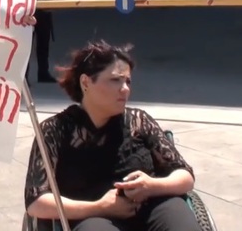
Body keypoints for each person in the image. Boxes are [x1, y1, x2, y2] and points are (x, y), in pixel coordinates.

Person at [23, 40, 201, 231]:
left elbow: (185, 176)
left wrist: (152, 185)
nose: (125, 89)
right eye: (115, 80)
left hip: (154, 207)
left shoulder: (138, 121)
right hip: (92, 216)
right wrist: (99, 207)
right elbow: (36, 203)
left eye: (128, 81)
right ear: (86, 82)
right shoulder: (54, 131)